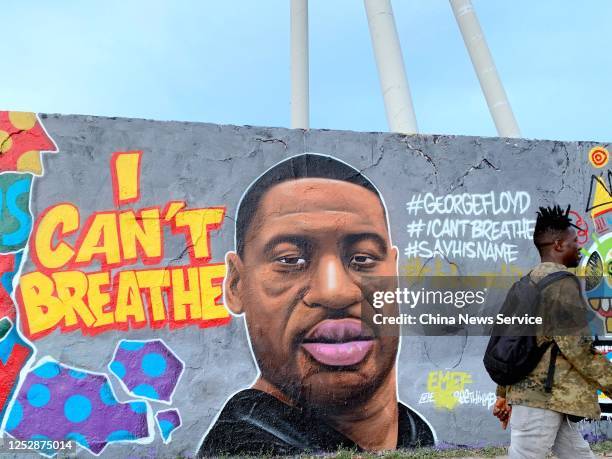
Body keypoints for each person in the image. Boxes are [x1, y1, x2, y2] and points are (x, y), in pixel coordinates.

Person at [198, 154, 435, 456]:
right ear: (236, 285)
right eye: (289, 260)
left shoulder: (415, 434)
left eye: (363, 258)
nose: (336, 292)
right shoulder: (243, 445)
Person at [493, 205, 612, 459]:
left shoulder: (526, 282)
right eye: (574, 241)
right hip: (542, 398)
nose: (580, 246)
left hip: (548, 397)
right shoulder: (561, 285)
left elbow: (507, 342)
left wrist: (503, 394)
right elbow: (579, 349)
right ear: (558, 245)